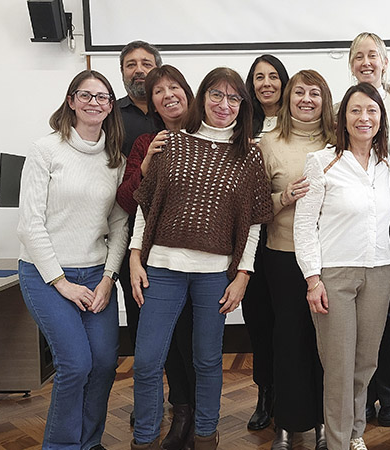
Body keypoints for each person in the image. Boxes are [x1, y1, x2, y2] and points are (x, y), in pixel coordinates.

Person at [128, 67, 273, 450]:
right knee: (145, 361)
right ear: (202, 97)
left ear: (243, 106)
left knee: (207, 362)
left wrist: (243, 275)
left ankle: (206, 437)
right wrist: (134, 256)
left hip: (214, 275)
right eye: (216, 95)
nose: (224, 105)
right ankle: (143, 439)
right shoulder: (172, 143)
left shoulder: (250, 156)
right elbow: (146, 203)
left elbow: (254, 223)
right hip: (161, 269)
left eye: (233, 98)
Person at [17, 69, 128, 450]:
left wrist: (108, 278)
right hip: (47, 275)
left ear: (111, 106)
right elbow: (30, 226)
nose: (94, 102)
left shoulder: (116, 160)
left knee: (102, 365)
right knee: (76, 364)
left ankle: (89, 442)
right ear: (71, 101)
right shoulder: (45, 150)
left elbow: (119, 225)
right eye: (86, 95)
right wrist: (62, 283)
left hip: (97, 274)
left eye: (102, 97)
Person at [294, 82, 390, 450]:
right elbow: (304, 224)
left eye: (371, 110)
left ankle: (354, 435)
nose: (364, 117)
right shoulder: (322, 161)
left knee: (364, 364)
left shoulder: (386, 164)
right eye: (355, 110)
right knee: (338, 367)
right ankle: (337, 443)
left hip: (381, 270)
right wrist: (312, 278)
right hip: (334, 275)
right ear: (343, 118)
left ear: (381, 118)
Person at [115, 64, 197, 450]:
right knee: (168, 343)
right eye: (158, 90)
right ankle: (180, 412)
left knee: (198, 342)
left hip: (205, 261)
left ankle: (201, 417)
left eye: (174, 87)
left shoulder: (209, 137)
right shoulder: (146, 142)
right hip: (159, 259)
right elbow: (127, 201)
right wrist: (146, 167)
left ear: (187, 92)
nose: (168, 95)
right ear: (154, 102)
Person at [258, 69, 335, 450]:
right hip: (284, 257)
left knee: (326, 345)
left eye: (315, 93)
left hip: (331, 261)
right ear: (288, 98)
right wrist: (283, 198)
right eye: (299, 92)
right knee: (289, 341)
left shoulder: (342, 141)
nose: (306, 99)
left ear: (326, 100)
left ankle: (324, 423)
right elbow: (253, 207)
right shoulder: (268, 143)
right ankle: (286, 424)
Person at [345, 30, 390, 429]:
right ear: (351, 64)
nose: (367, 62)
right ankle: (362, 396)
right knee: (356, 320)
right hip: (354, 229)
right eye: (359, 56)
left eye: (374, 55)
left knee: (389, 318)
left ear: (384, 61)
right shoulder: (342, 107)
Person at [241, 54, 290, 432]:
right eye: (259, 77)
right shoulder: (241, 124)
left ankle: (294, 394)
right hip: (251, 240)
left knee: (289, 324)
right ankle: (265, 392)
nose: (266, 83)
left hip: (287, 238)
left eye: (273, 76)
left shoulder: (298, 122)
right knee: (259, 320)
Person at [115, 43, 162, 425]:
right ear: (122, 73)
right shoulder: (112, 115)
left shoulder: (178, 112)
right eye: (131, 65)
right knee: (140, 320)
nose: (139, 70)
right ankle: (148, 403)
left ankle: (183, 401)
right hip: (129, 231)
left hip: (176, 236)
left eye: (147, 63)